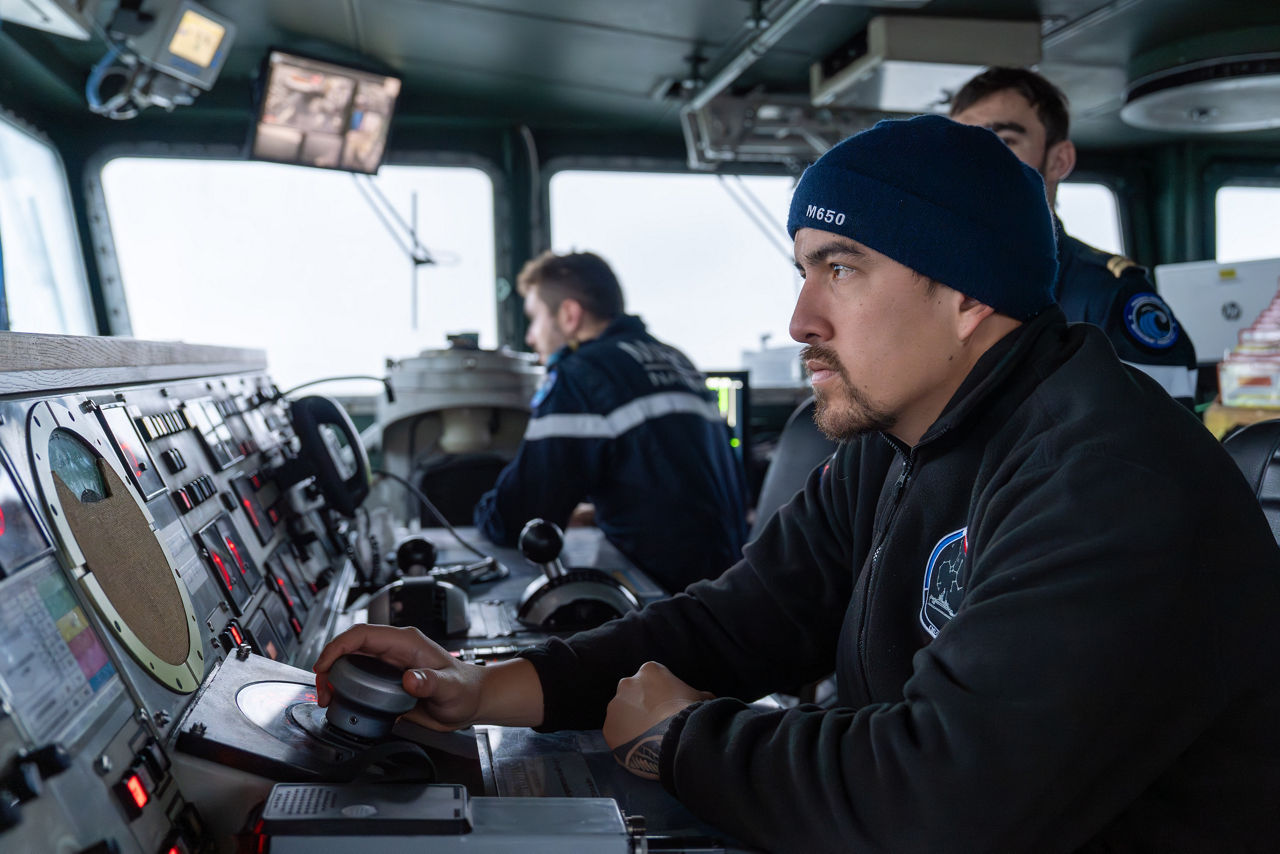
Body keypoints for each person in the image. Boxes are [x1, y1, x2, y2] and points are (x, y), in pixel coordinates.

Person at [319, 116, 1280, 852]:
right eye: (803, 271)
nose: (800, 317)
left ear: (969, 291)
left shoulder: (1106, 481)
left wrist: (686, 740)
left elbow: (942, 803)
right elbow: (741, 621)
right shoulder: (903, 436)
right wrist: (486, 687)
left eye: (841, 269)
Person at [472, 250, 748, 593]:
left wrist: (481, 512)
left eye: (534, 318)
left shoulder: (582, 374)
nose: (530, 337)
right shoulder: (675, 359)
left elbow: (518, 518)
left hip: (666, 602)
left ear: (569, 314)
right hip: (730, 587)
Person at [950, 66, 1200, 407]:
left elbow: (1166, 447)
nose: (979, 160)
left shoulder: (1109, 296)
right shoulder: (932, 283)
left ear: (1059, 160)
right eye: (964, 143)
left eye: (1005, 141)